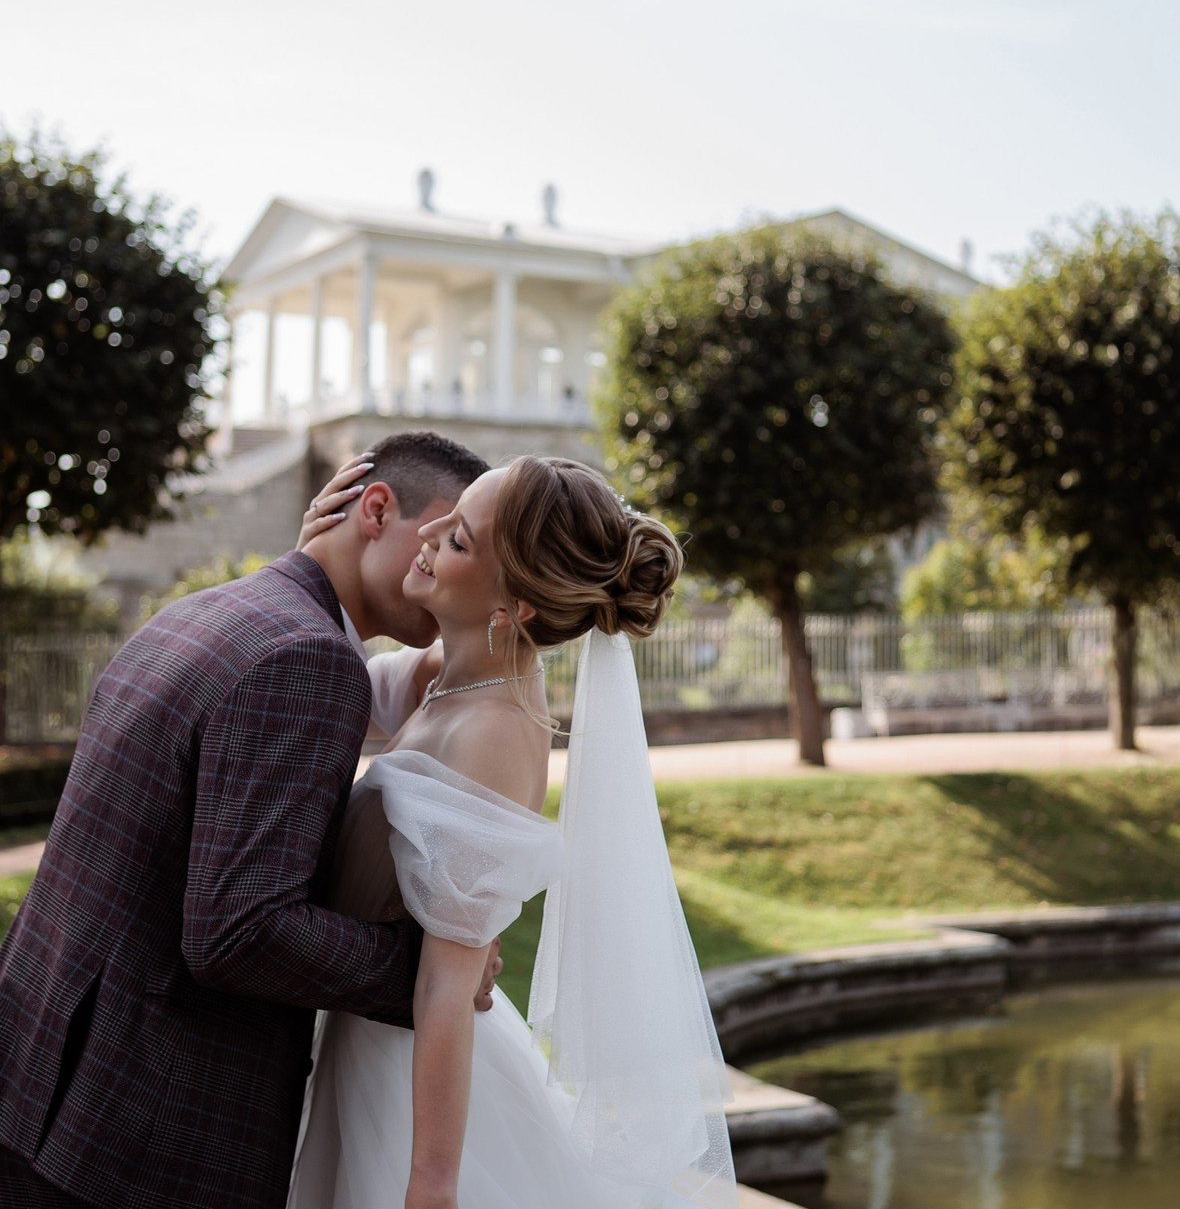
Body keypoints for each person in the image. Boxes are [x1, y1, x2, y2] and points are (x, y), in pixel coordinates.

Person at [0, 430, 491, 1209]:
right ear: (373, 508)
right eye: (437, 535)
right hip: (144, 1137)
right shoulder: (307, 659)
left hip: (42, 1080)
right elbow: (241, 930)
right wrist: (422, 974)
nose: (443, 561)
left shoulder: (209, 612)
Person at [288, 456, 738, 1209]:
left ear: (517, 606)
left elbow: (446, 983)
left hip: (404, 1079)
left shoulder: (494, 733)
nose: (427, 533)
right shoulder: (450, 671)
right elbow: (325, 690)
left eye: (458, 539)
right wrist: (314, 568)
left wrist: (431, 1183)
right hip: (359, 1042)